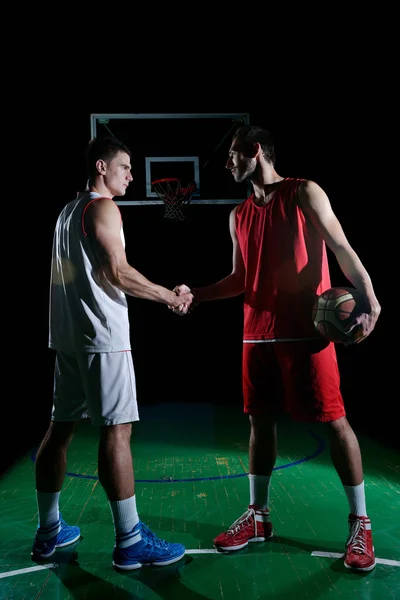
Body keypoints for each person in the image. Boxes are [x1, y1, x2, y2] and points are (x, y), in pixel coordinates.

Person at [174, 125, 381, 572]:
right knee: (259, 426)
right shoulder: (238, 215)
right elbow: (239, 279)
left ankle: (361, 522)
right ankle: (259, 516)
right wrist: (196, 294)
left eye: (232, 155)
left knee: (335, 422)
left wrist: (368, 294)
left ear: (254, 151)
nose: (227, 164)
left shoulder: (304, 191)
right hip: (256, 335)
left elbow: (340, 244)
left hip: (307, 333)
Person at [32, 135, 193, 571]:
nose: (131, 176)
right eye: (124, 168)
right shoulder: (103, 207)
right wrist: (169, 296)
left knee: (59, 430)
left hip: (66, 337)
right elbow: (116, 271)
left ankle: (49, 532)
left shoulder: (67, 212)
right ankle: (131, 539)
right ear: (101, 167)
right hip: (101, 337)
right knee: (117, 432)